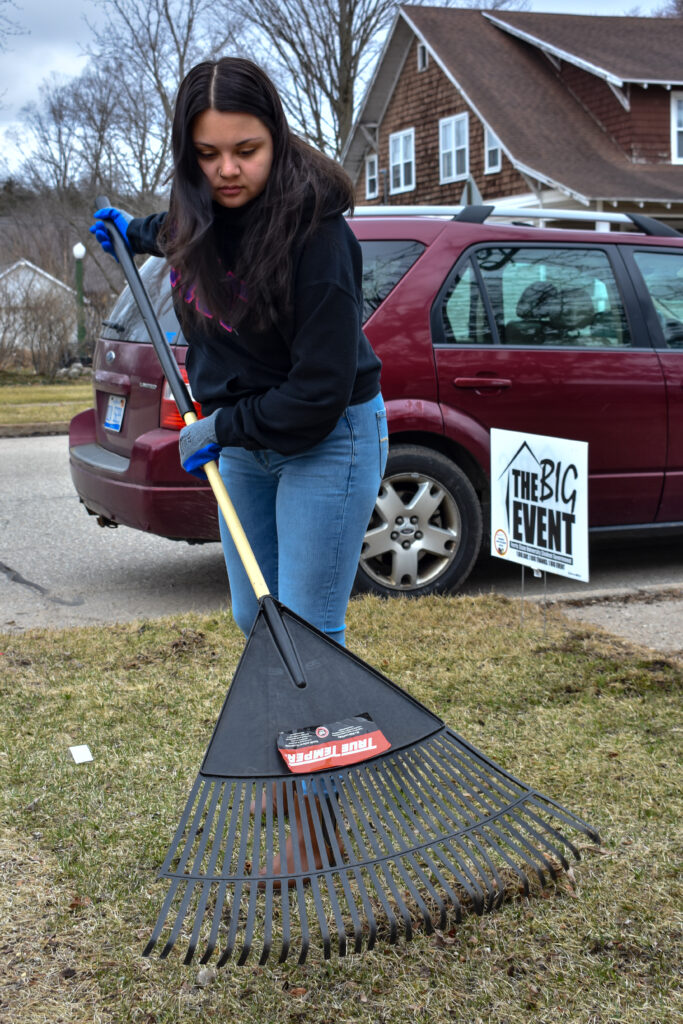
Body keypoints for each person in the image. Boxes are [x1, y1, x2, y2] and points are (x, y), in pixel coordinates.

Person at [92, 56, 387, 881]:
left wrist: (223, 424)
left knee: (305, 634)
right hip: (244, 441)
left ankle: (321, 820)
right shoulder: (199, 213)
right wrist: (129, 229)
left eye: (245, 150)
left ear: (277, 139)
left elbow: (321, 391)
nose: (227, 171)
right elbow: (171, 229)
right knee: (252, 621)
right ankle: (296, 763)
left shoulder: (319, 235)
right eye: (206, 154)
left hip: (326, 437)